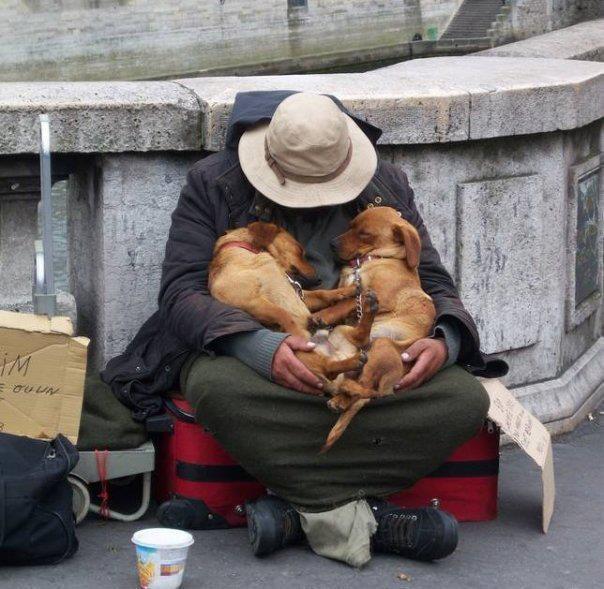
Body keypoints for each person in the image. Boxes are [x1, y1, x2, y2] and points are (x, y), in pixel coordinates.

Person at [102, 90, 507, 568]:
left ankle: (301, 512)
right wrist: (260, 348)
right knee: (216, 391)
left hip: (365, 349)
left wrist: (444, 341)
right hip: (256, 358)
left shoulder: (387, 183)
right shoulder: (213, 181)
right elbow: (180, 292)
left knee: (464, 401)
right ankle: (369, 516)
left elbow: (434, 280)